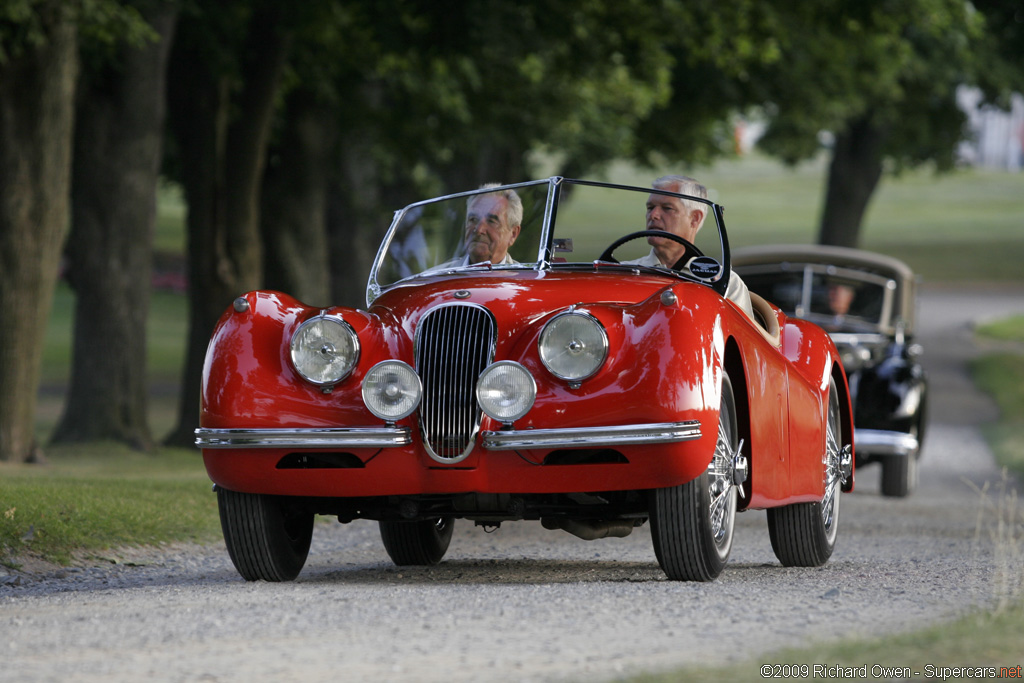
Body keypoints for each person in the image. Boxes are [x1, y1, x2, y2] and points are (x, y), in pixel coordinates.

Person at [627, 175, 754, 319]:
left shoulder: (723, 282)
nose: (654, 215)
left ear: (695, 218)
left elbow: (740, 337)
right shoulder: (623, 273)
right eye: (650, 208)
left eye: (667, 208)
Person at [463, 183, 523, 265]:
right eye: (473, 219)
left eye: (491, 221)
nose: (479, 229)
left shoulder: (524, 277)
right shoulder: (442, 275)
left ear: (513, 234)